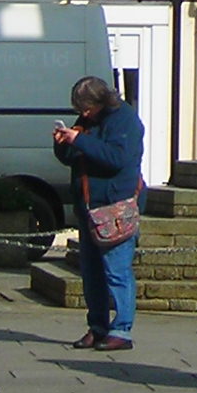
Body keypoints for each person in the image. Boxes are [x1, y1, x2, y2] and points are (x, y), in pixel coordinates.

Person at [54, 75, 144, 352]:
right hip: (89, 207)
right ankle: (97, 326)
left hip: (114, 207)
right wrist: (63, 143)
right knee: (92, 273)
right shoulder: (91, 121)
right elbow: (75, 158)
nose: (83, 114)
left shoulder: (124, 120)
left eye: (86, 108)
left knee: (117, 271)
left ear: (100, 101)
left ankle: (122, 330)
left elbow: (115, 158)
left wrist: (80, 140)